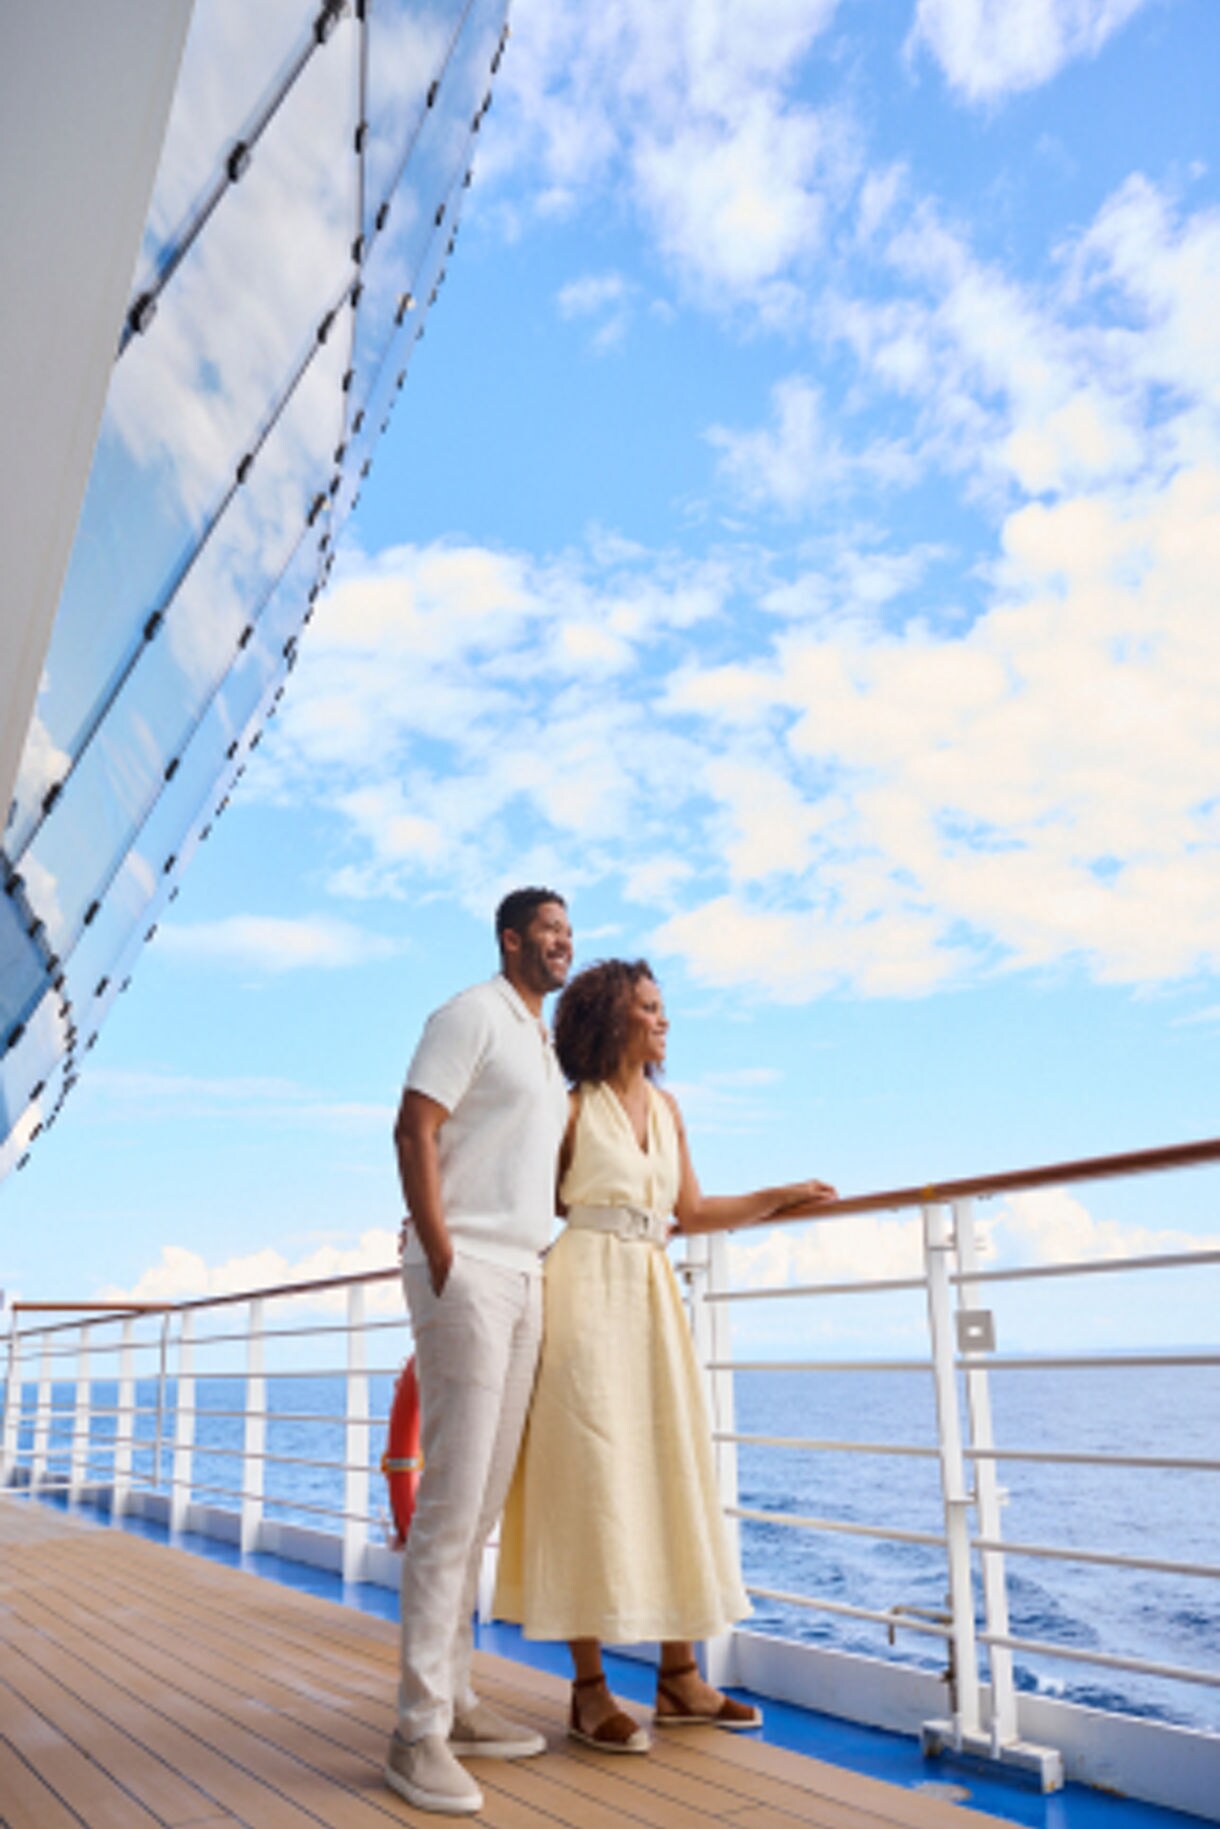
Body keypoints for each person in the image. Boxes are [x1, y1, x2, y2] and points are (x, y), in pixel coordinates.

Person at [494, 957, 837, 1752]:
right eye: (649, 1007)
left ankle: (680, 1678)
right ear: (613, 1018)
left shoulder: (669, 1106)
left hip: (652, 1295)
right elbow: (529, 1198)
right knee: (586, 1475)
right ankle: (588, 1691)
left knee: (668, 1465)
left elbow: (693, 1209)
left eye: (661, 1007)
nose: (663, 1019)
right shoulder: (570, 1109)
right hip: (582, 1292)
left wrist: (783, 1193)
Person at [385, 887, 573, 1815]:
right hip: (469, 1271)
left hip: (525, 1272)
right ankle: (415, 1730)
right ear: (511, 940)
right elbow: (413, 1126)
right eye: (548, 930)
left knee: (481, 1503)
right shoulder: (469, 1015)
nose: (562, 943)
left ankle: (457, 1701)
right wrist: (443, 1249)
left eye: (569, 932)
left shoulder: (541, 1042)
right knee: (451, 1506)